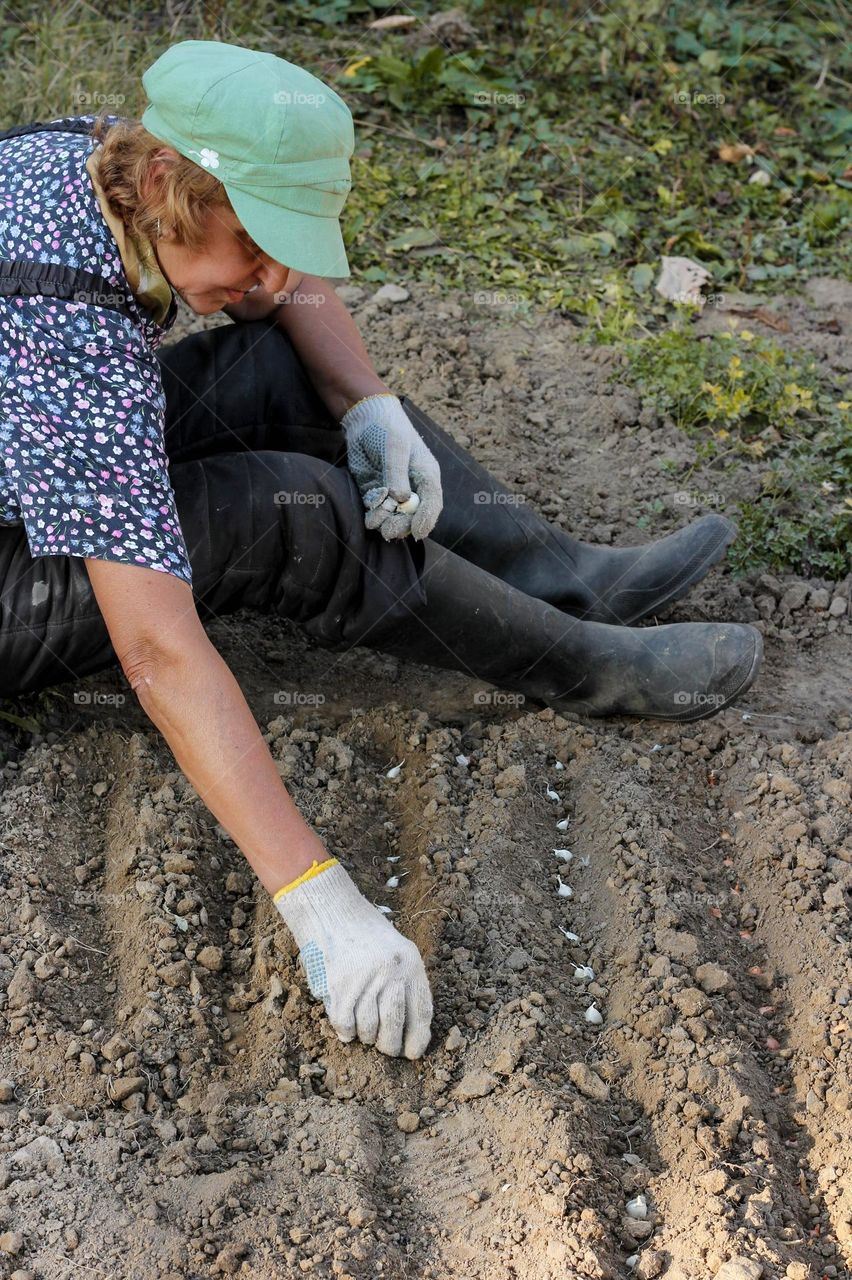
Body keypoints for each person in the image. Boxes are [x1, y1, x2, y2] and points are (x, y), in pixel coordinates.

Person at [0, 40, 762, 1061]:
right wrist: (320, 899)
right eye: (254, 245)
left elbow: (280, 291)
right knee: (289, 515)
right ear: (170, 190)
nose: (277, 276)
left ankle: (573, 582)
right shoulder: (67, 326)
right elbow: (156, 651)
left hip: (25, 458)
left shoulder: (111, 160)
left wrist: (367, 404)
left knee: (277, 362)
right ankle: (591, 668)